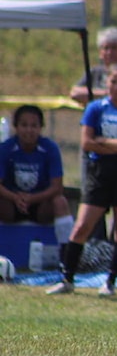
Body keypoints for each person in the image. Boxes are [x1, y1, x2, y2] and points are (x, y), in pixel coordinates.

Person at [46, 64, 117, 295]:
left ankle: (110, 281)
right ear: (106, 84)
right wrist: (112, 146)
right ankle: (67, 278)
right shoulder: (94, 108)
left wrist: (102, 142)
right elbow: (86, 142)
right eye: (113, 81)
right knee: (82, 224)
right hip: (99, 171)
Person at [0, 105, 75, 249]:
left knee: (60, 202)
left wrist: (32, 198)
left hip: (40, 205)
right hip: (11, 204)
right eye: (24, 125)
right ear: (16, 127)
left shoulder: (50, 149)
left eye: (34, 125)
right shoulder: (5, 148)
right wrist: (15, 197)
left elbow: (57, 187)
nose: (29, 130)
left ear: (41, 128)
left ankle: (67, 253)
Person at [70, 27, 117, 106]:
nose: (109, 52)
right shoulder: (94, 72)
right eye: (106, 48)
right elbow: (75, 93)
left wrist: (92, 95)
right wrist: (106, 93)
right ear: (100, 53)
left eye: (114, 48)